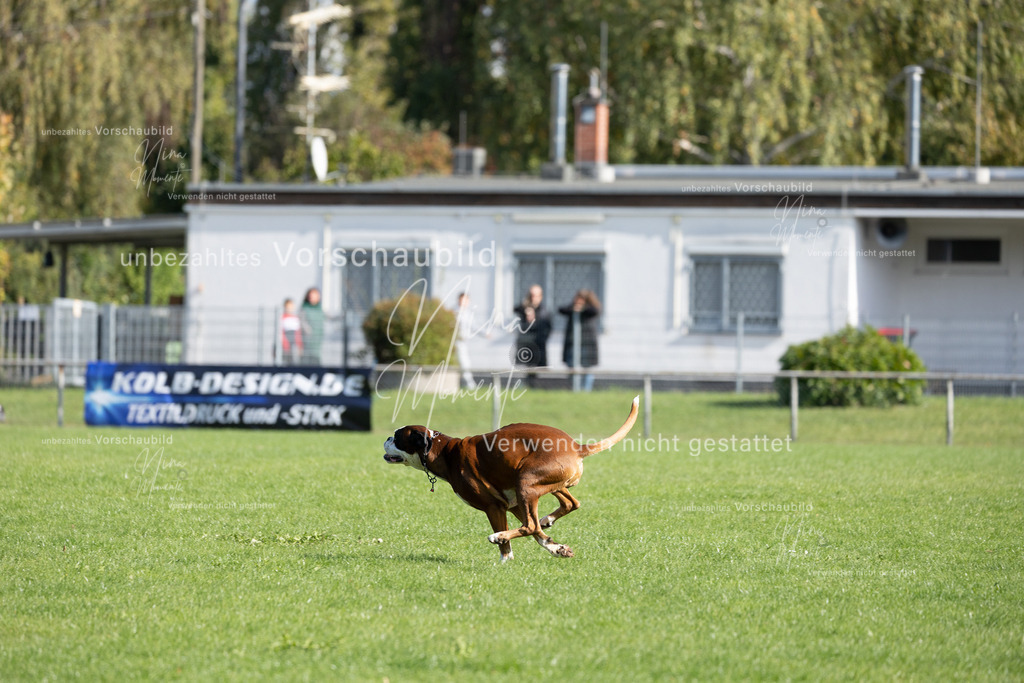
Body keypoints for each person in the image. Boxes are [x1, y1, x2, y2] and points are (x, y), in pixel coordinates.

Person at [559, 289, 601, 391]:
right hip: (572, 344)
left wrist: (582, 309)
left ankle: (586, 390)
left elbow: (595, 311)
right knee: (572, 367)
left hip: (587, 344)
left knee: (587, 368)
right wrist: (574, 309)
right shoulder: (571, 309)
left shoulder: (590, 311)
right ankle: (574, 388)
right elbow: (561, 310)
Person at [513, 284, 551, 369]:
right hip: (527, 344)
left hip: (538, 344)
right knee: (528, 368)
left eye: (536, 296)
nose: (534, 298)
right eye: (532, 296)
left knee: (538, 369)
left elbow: (548, 328)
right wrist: (527, 307)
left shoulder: (544, 311)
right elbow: (516, 309)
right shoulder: (525, 308)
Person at [454, 292, 477, 389]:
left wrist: (485, 333)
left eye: (466, 300)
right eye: (462, 300)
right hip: (456, 342)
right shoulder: (454, 312)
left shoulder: (467, 313)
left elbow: (474, 326)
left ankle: (466, 383)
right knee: (464, 362)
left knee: (465, 362)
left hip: (465, 342)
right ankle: (469, 384)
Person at [300, 287, 325, 365]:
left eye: (314, 295)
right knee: (307, 359)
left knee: (316, 358)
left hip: (318, 340)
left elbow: (328, 316)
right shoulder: (304, 308)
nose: (312, 298)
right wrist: (308, 330)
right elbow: (302, 321)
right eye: (311, 296)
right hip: (308, 340)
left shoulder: (320, 309)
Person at [280, 298, 303, 365]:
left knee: (294, 361)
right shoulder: (282, 318)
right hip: (285, 344)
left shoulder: (295, 318)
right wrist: (284, 343)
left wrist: (299, 345)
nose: (289, 308)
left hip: (294, 344)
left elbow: (298, 333)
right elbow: (281, 332)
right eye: (288, 307)